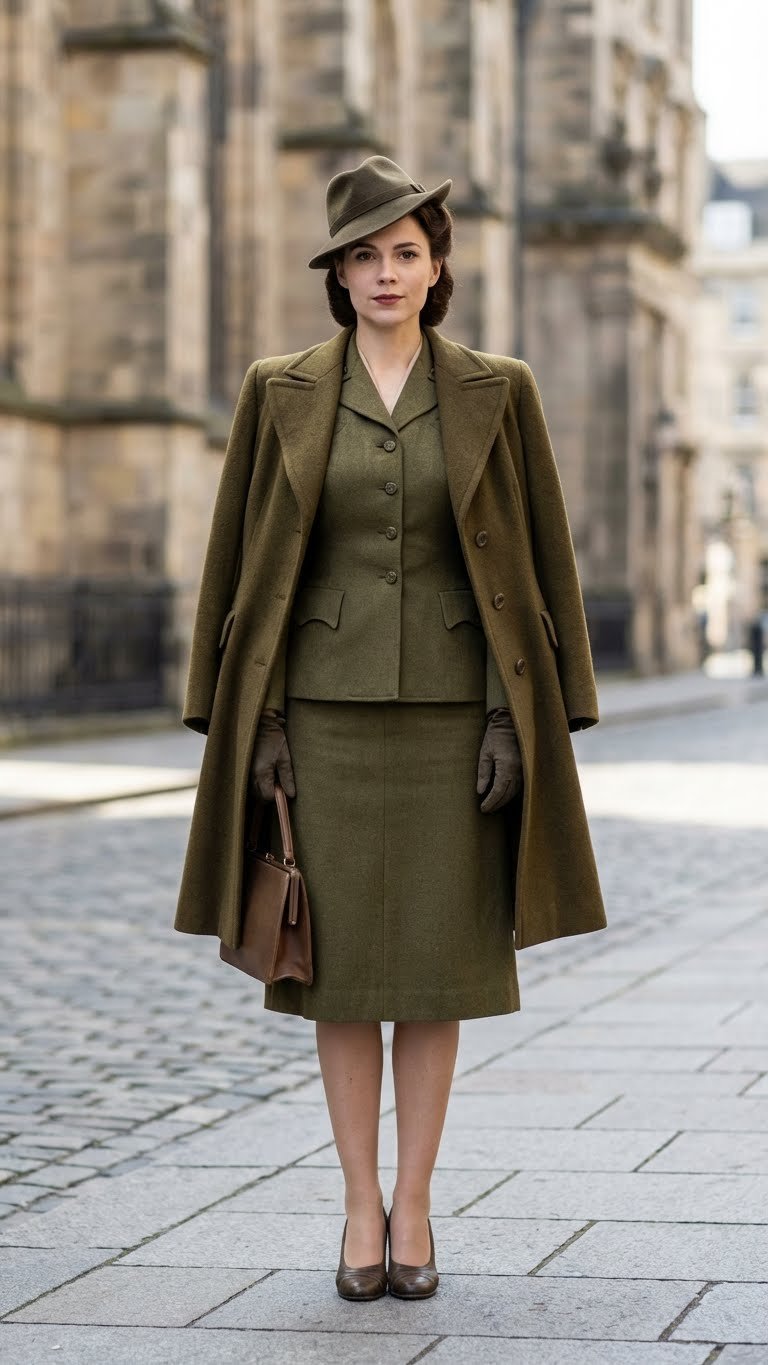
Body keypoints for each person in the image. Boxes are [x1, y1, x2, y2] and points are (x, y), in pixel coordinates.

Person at [175, 155, 606, 1301]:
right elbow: (241, 557)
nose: (385, 272)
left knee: (434, 972)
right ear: (338, 273)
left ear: (437, 265)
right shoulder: (279, 389)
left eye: (404, 252)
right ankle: (357, 1208)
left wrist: (524, 718)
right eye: (364, 255)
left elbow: (539, 557)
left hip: (457, 725)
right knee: (339, 978)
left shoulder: (497, 388)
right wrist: (248, 714)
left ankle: (415, 1204)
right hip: (316, 720)